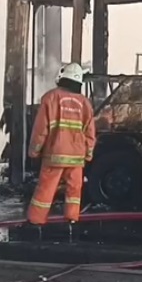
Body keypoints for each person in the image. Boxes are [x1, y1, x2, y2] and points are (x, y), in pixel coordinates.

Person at [25, 63, 95, 229]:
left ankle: (35, 222)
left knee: (46, 189)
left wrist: (34, 151)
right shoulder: (85, 103)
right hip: (77, 157)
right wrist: (88, 154)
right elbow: (90, 133)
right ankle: (72, 221)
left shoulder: (50, 98)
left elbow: (40, 129)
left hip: (54, 155)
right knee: (74, 191)